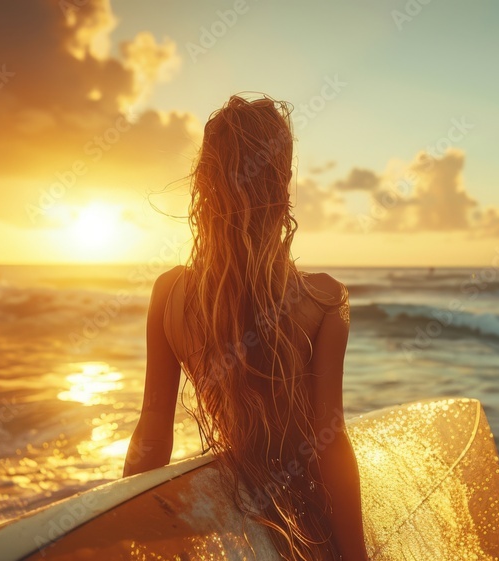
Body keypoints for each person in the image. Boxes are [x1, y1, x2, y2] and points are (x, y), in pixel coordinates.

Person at [122, 94, 369, 561]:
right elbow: (329, 441)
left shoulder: (169, 294)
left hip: (228, 521)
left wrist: (123, 530)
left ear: (205, 183)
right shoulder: (325, 299)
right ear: (282, 182)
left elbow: (153, 427)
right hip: (305, 524)